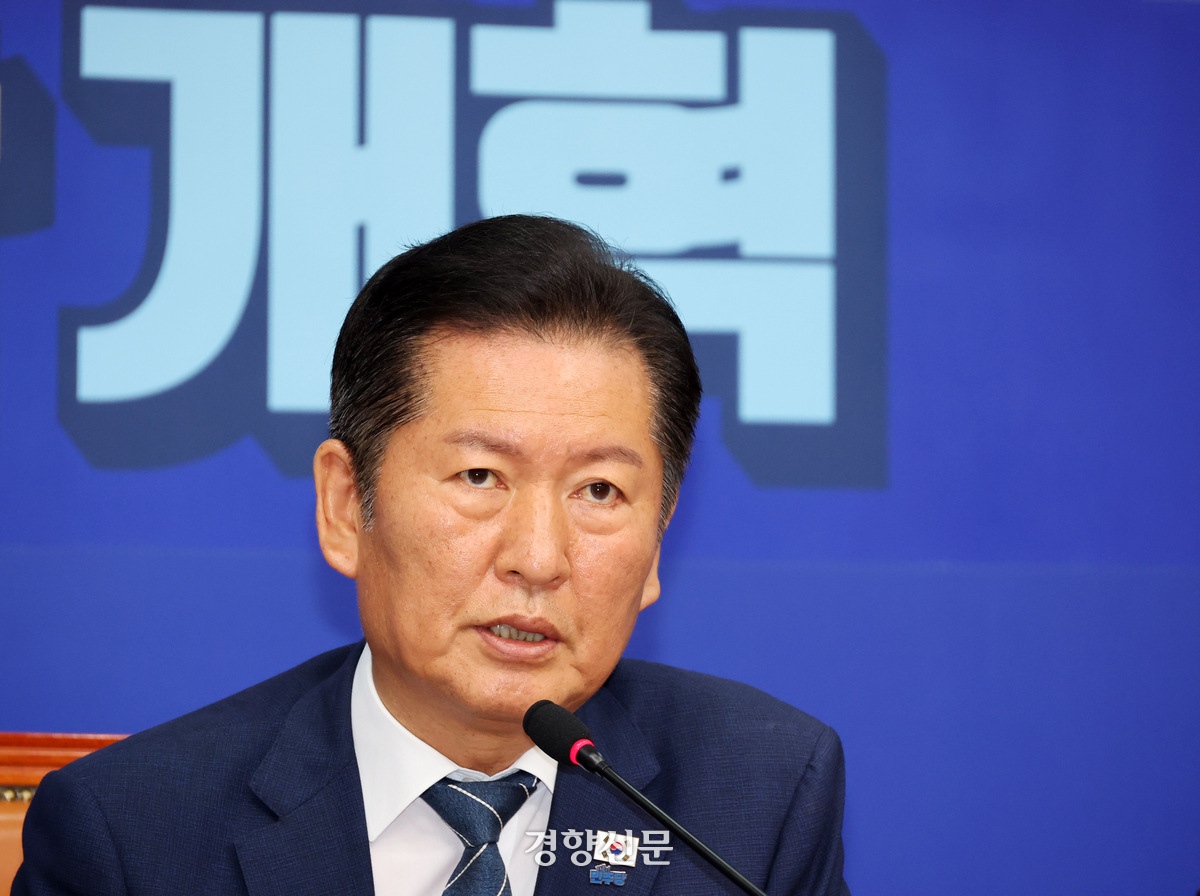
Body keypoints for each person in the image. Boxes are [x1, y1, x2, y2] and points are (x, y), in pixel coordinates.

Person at [14, 216, 849, 896]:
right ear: (347, 506)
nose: (538, 558)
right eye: (480, 476)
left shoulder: (760, 796)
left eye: (599, 490)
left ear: (659, 539)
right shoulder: (131, 839)